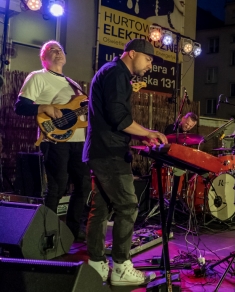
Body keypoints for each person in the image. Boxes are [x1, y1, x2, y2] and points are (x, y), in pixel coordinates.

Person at [82, 39, 168, 285]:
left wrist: (140, 135)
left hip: (101, 150)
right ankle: (120, 266)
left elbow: (112, 119)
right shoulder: (117, 74)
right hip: (109, 153)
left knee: (101, 209)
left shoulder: (111, 72)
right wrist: (148, 133)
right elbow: (118, 117)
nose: (150, 65)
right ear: (132, 54)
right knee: (128, 206)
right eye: (148, 59)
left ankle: (97, 265)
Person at [14, 40, 90, 242]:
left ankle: (73, 231)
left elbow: (81, 112)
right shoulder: (38, 77)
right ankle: (45, 232)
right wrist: (44, 107)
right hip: (54, 140)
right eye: (51, 50)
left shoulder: (71, 83)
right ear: (43, 58)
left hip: (78, 140)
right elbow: (20, 107)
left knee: (83, 186)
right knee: (57, 186)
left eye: (60, 50)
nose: (57, 52)